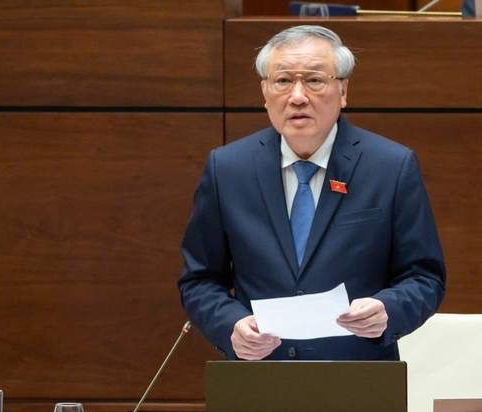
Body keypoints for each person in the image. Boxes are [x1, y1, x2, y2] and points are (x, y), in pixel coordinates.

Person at [178, 25, 446, 361]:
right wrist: (231, 324)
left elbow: (425, 277)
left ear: (343, 90)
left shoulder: (391, 166)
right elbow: (200, 279)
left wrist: (387, 310)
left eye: (315, 80)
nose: (298, 96)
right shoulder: (228, 168)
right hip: (258, 379)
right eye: (283, 81)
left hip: (358, 380)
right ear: (265, 92)